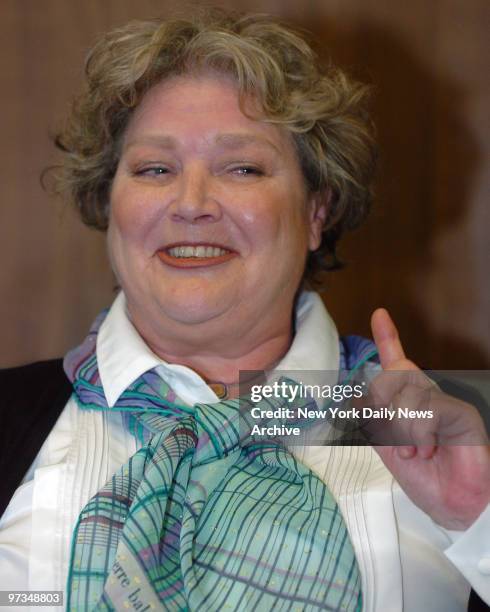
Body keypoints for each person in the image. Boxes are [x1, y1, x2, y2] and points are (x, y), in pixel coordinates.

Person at [0, 9, 488, 612]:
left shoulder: (458, 432)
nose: (192, 203)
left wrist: (478, 522)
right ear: (110, 202)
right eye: (155, 168)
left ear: (316, 211)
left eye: (242, 168)